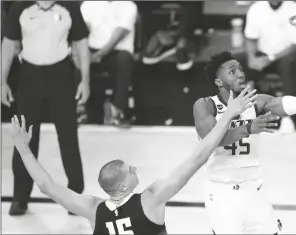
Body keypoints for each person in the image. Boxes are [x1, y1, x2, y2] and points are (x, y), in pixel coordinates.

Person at [10, 88, 277, 234]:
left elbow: (46, 186)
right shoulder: (150, 199)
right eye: (129, 171)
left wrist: (23, 149)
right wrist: (229, 114)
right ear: (124, 187)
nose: (135, 167)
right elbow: (200, 155)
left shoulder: (93, 209)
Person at [193, 51, 296, 234]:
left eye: (240, 69)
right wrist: (247, 128)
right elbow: (211, 140)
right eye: (232, 71)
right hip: (220, 193)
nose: (240, 74)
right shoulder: (205, 105)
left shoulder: (258, 103)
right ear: (218, 81)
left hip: (253, 189)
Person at [1, 1, 90, 216]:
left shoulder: (70, 6)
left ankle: (75, 196)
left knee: (68, 135)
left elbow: (81, 42)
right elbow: (8, 43)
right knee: (26, 138)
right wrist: (2, 80)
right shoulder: (19, 7)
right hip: (30, 76)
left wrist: (85, 80)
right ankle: (20, 197)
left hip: (62, 75)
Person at [244, 1, 296, 133]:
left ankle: (288, 118)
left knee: (290, 64)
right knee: (236, 61)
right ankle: (241, 115)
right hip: (262, 55)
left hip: (285, 57)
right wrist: (251, 57)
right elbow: (250, 38)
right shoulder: (256, 8)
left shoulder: (295, 9)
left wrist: (271, 58)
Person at [78, 1, 138, 127]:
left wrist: (99, 55)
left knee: (124, 60)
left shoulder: (129, 6)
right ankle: (79, 108)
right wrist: (84, 53)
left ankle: (118, 111)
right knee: (73, 58)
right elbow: (82, 31)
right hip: (91, 49)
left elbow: (119, 35)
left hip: (116, 52)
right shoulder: (88, 4)